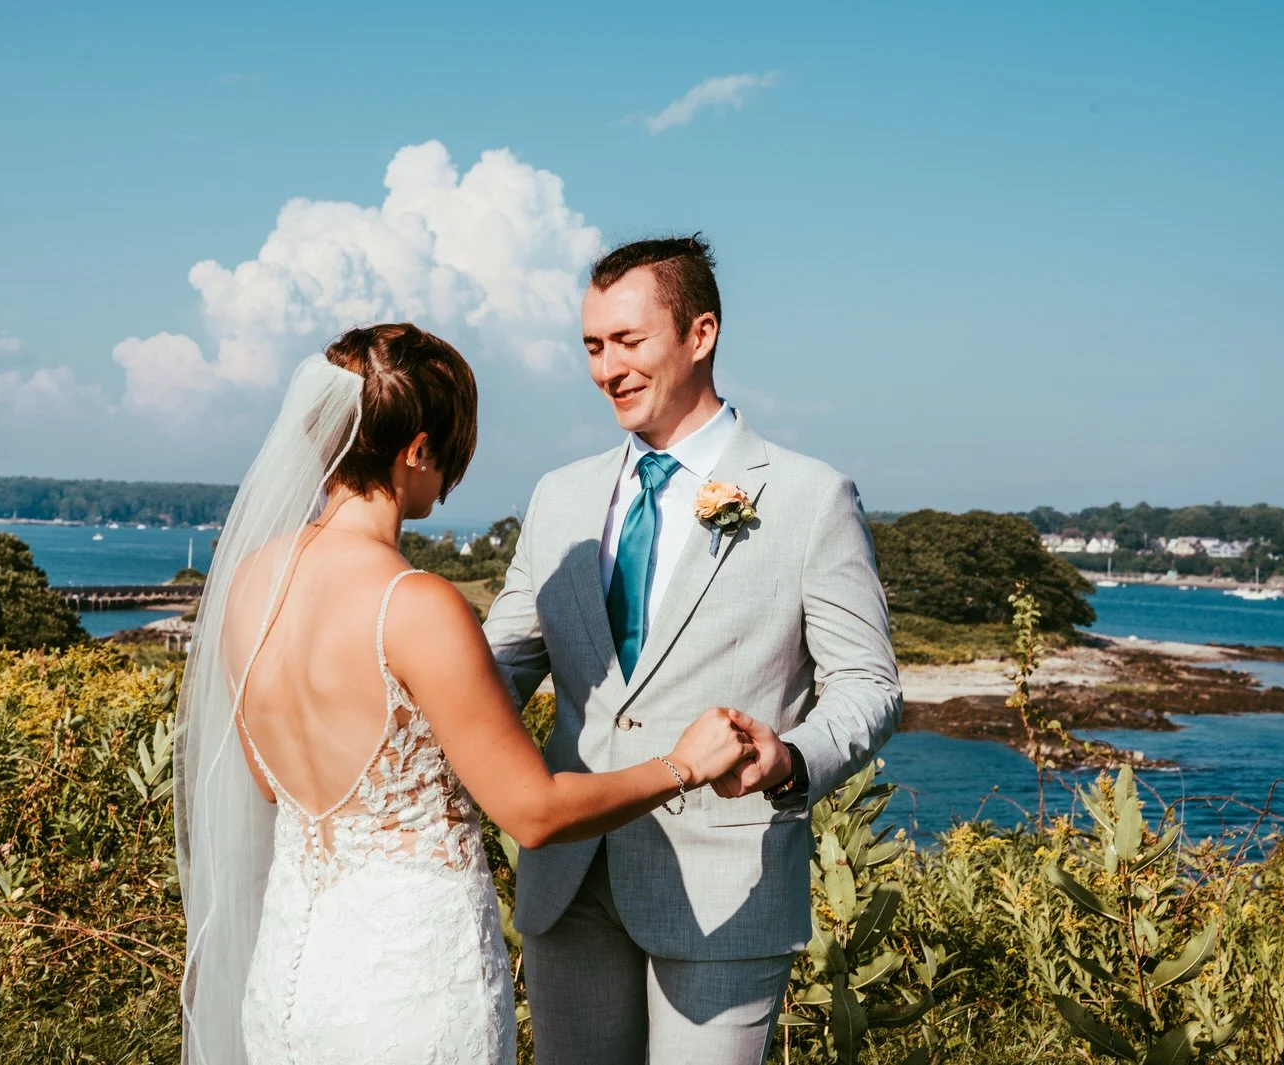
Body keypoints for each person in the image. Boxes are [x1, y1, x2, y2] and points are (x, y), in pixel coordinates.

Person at [174, 322, 768, 1065]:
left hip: (292, 975)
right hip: (407, 983)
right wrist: (684, 764)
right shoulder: (413, 603)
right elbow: (533, 811)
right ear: (418, 449)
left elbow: (270, 782)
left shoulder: (251, 580)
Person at [483, 235, 903, 1063]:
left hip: (727, 885)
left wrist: (791, 758)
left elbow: (869, 685)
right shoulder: (557, 495)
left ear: (700, 333)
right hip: (568, 878)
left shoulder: (810, 496)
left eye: (628, 341)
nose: (607, 369)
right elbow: (496, 665)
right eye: (593, 346)